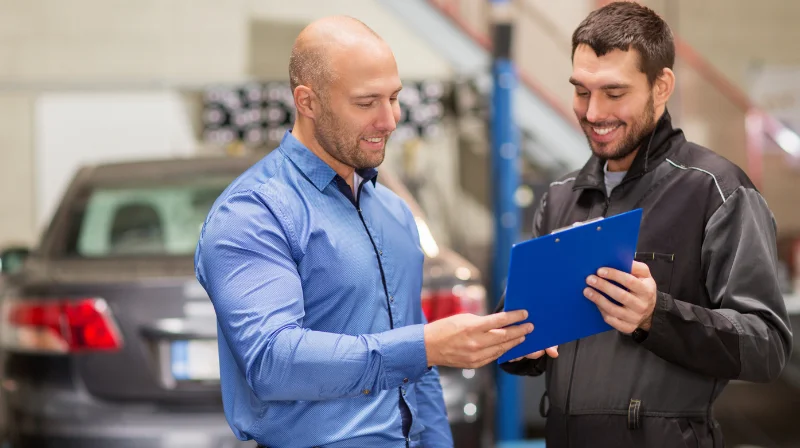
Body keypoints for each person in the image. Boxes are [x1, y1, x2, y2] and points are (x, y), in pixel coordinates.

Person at [194, 15, 533, 448]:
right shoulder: (254, 212)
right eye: (366, 102)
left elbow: (418, 373)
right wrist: (423, 346)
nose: (390, 120)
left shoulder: (394, 211)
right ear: (308, 101)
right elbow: (272, 361)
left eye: (394, 98)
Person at [497, 2, 793, 447]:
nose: (593, 112)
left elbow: (767, 346)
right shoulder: (561, 197)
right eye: (581, 91)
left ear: (662, 86)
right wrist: (519, 339)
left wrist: (658, 316)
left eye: (614, 93)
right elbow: (521, 334)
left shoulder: (717, 191)